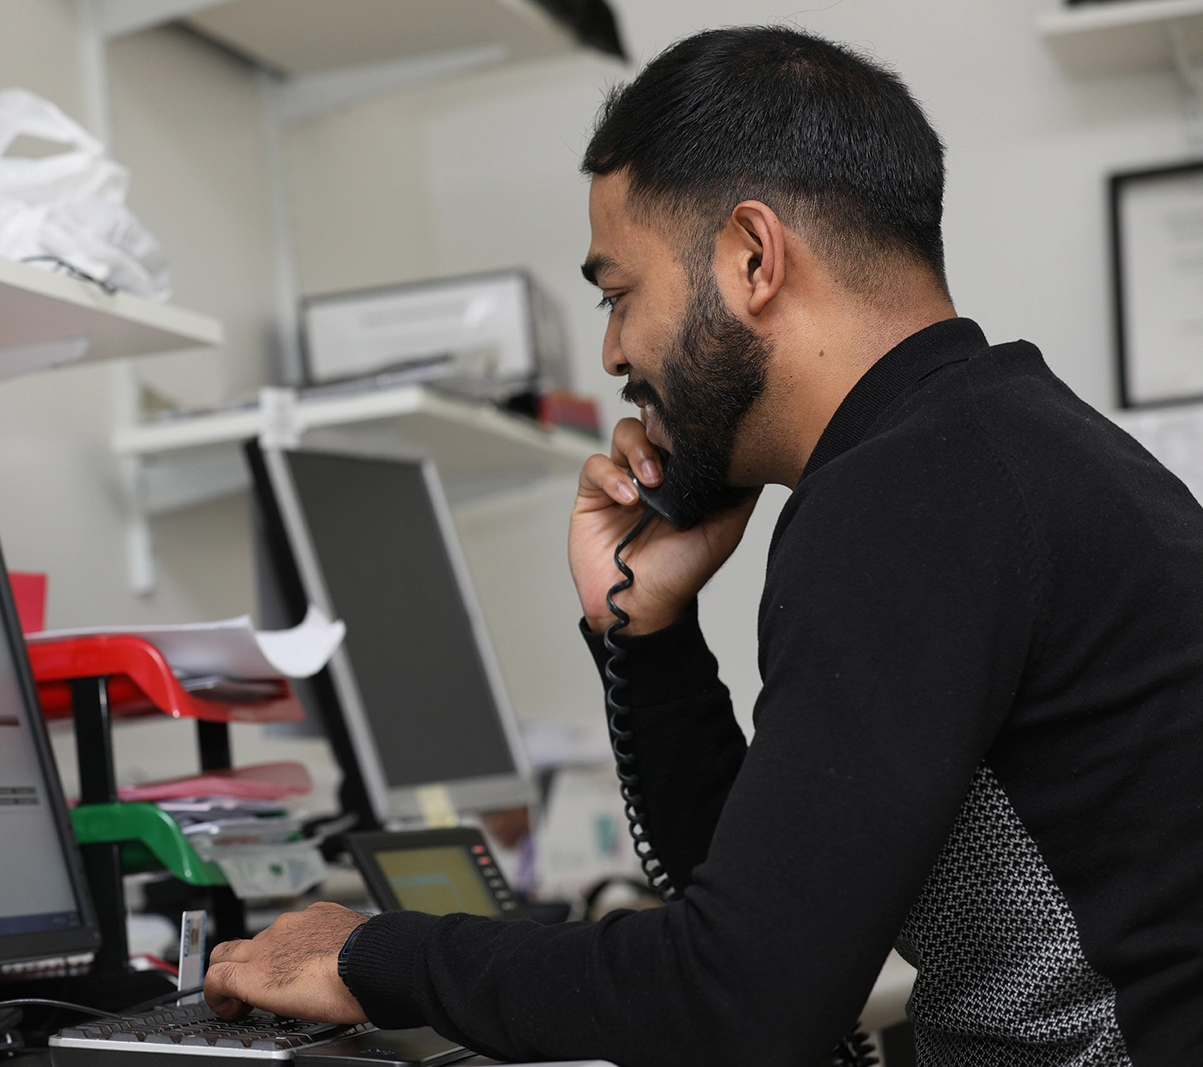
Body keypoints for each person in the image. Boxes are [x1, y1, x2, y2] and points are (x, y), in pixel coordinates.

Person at [202, 26, 1203, 1066]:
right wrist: (647, 632)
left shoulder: (907, 496)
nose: (613, 350)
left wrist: (372, 953)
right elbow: (770, 921)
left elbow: (738, 1007)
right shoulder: (995, 447)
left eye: (618, 290)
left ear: (751, 257)